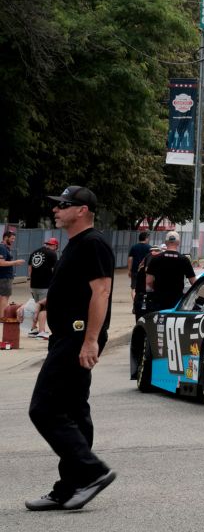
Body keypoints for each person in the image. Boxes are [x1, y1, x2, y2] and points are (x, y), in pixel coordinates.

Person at [27, 186, 117, 511]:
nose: (56, 210)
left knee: (44, 409)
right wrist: (52, 301)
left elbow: (101, 292)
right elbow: (79, 288)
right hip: (68, 335)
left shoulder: (92, 244)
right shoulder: (76, 245)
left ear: (82, 210)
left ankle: (92, 472)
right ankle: (69, 488)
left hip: (77, 338)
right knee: (75, 412)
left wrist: (91, 339)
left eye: (63, 205)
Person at [144, 231, 196, 312]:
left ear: (165, 242)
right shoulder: (184, 260)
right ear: (178, 242)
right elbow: (193, 282)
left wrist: (156, 289)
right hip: (177, 300)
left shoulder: (156, 259)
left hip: (159, 299)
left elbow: (149, 281)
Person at [27, 238, 59, 338]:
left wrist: (32, 281)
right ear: (55, 246)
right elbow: (54, 270)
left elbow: (30, 269)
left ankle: (33, 329)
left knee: (37, 306)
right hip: (45, 285)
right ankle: (41, 331)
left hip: (34, 284)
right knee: (44, 308)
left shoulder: (35, 252)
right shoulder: (52, 254)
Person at [0, 228, 24, 316]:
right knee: (4, 297)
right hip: (4, 277)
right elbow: (1, 263)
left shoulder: (5, 248)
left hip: (5, 277)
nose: (13, 240)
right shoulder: (2, 247)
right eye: (12, 238)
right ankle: (2, 317)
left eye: (14, 239)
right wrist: (15, 262)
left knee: (3, 297)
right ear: (6, 237)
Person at [125, 232, 151, 301]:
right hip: (145, 271)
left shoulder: (134, 247)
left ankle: (135, 304)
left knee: (134, 288)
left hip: (135, 270)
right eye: (148, 238)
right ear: (145, 238)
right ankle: (142, 304)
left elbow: (130, 259)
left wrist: (129, 270)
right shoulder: (149, 248)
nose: (148, 239)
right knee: (145, 288)